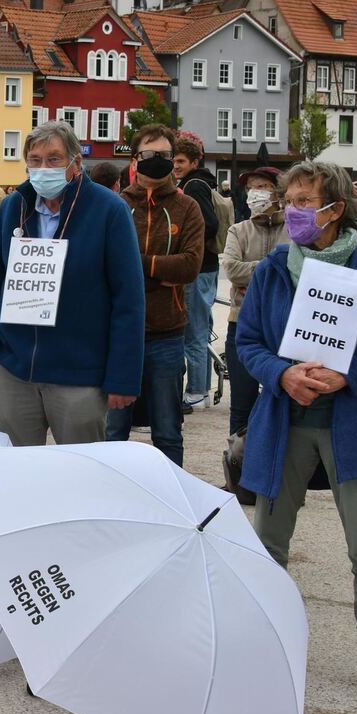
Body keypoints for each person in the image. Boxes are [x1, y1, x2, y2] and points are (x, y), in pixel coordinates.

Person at [238, 160, 357, 703]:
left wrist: (349, 373)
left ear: (336, 208)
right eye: (290, 201)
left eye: (306, 202)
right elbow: (247, 343)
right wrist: (282, 373)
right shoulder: (272, 269)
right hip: (286, 420)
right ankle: (262, 644)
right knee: (268, 544)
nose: (293, 211)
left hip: (354, 423)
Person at [0, 120, 145, 445]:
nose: (43, 168)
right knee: (15, 472)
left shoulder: (109, 211)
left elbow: (129, 300)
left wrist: (124, 377)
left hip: (79, 374)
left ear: (75, 163)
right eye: (35, 160)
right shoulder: (13, 207)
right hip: (12, 368)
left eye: (53, 159)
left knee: (80, 477)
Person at [106, 124, 205, 466]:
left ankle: (171, 501)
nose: (159, 161)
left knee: (167, 431)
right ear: (135, 159)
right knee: (112, 430)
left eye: (165, 155)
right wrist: (161, 271)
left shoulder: (187, 207)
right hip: (118, 335)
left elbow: (190, 266)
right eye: (150, 155)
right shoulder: (116, 206)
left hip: (167, 333)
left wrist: (138, 266)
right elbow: (105, 265)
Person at [220, 167, 288, 435]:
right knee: (241, 406)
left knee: (283, 401)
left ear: (277, 192)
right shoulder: (238, 230)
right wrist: (277, 268)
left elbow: (303, 268)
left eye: (262, 186)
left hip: (283, 326)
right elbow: (232, 269)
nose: (254, 193)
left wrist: (255, 276)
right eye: (250, 188)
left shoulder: (294, 229)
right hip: (242, 323)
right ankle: (238, 468)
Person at [172, 137, 220, 412]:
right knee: (198, 329)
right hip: (206, 267)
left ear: (193, 162)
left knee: (194, 333)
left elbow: (209, 224)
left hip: (199, 268)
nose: (176, 166)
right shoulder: (200, 183)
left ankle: (197, 392)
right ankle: (199, 389)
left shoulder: (193, 185)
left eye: (181, 161)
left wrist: (185, 239)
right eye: (174, 161)